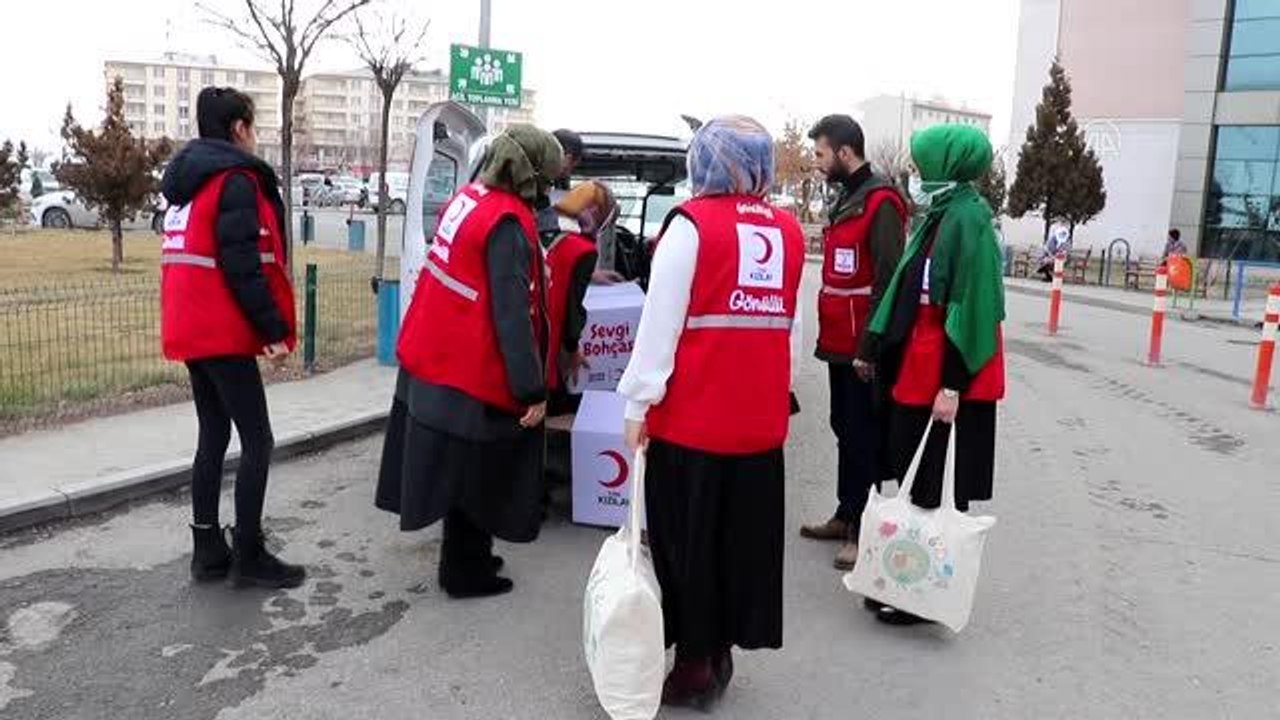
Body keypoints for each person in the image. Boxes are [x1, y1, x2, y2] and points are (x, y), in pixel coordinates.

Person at [619, 116, 804, 709]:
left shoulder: (691, 226)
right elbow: (789, 333)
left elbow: (660, 323)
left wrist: (638, 402)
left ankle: (695, 661)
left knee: (687, 542)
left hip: (694, 422)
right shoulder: (790, 231)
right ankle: (722, 646)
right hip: (758, 425)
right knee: (740, 544)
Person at [375, 126, 562, 600]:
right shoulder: (508, 223)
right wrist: (531, 388)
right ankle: (465, 571)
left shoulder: (471, 199)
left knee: (459, 472)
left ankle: (467, 557)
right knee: (478, 474)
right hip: (467, 367)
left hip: (433, 356)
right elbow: (510, 314)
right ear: (533, 173)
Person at [159, 86, 304, 589]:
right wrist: (273, 332)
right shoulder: (235, 180)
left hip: (189, 326)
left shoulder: (188, 182)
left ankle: (207, 550)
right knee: (257, 440)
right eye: (254, 125)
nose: (255, 135)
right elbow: (244, 265)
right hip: (220, 329)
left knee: (214, 436)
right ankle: (248, 554)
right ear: (239, 128)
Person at [862, 123, 1006, 626]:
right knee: (910, 463)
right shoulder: (940, 213)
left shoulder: (969, 220)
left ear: (949, 167)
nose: (916, 176)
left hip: (949, 360)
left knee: (936, 475)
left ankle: (918, 591)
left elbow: (974, 307)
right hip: (923, 353)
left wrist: (952, 384)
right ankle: (899, 574)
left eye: (923, 167)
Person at [800, 115, 907, 570]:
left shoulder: (880, 201)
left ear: (845, 153)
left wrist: (870, 346)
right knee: (845, 427)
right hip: (839, 341)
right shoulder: (850, 197)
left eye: (822, 154)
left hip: (861, 345)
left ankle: (864, 529)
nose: (817, 163)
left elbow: (888, 279)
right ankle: (846, 514)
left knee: (863, 435)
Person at [542, 180, 619, 415]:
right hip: (548, 334)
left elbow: (555, 264)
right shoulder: (583, 250)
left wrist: (591, 275)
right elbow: (573, 308)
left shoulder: (548, 224)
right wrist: (573, 349)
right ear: (596, 210)